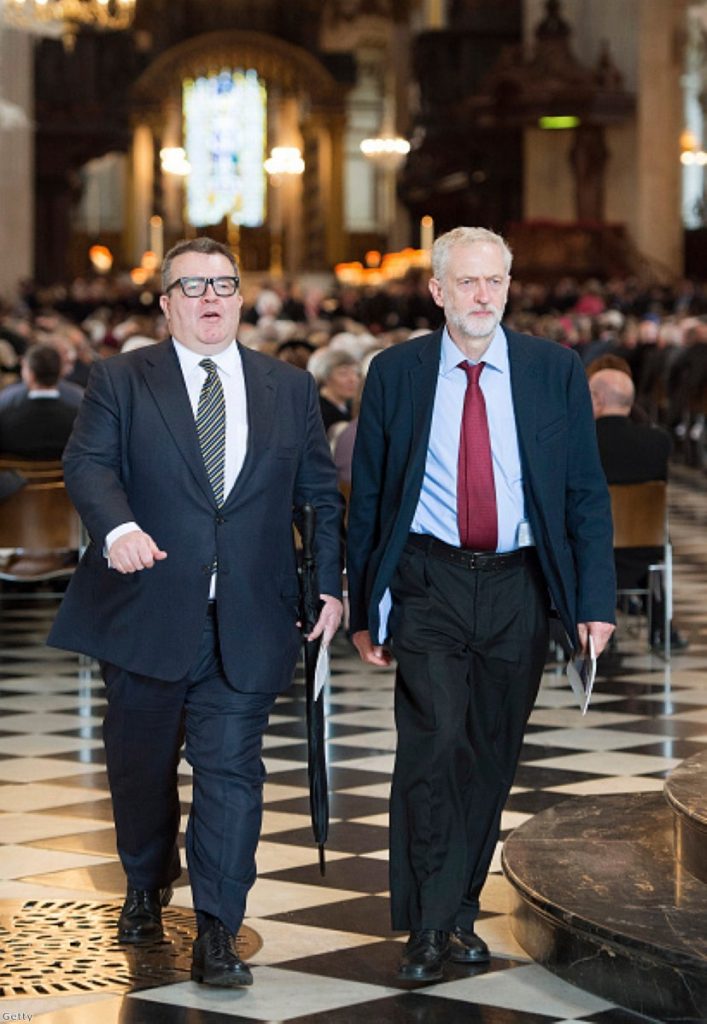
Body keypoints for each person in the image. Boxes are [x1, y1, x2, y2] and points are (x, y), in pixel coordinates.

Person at [48, 237, 343, 989]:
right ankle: (147, 882)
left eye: (223, 284)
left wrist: (332, 586)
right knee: (140, 769)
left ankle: (217, 926)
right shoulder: (121, 377)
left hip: (249, 614)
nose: (210, 298)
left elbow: (317, 494)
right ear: (166, 303)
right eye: (192, 286)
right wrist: (115, 528)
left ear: (241, 298)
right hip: (146, 609)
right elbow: (87, 464)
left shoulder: (288, 386)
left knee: (231, 773)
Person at [346, 226, 616, 983]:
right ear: (437, 291)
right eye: (466, 282)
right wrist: (366, 604)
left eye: (494, 281)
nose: (482, 296)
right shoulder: (395, 373)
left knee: (488, 756)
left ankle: (458, 911)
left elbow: (583, 494)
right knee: (432, 745)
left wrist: (592, 601)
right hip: (428, 578)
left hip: (518, 585)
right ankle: (428, 928)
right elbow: (367, 495)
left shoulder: (551, 369)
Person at [588, 367, 685, 650]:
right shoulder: (658, 442)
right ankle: (660, 625)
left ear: (597, 399)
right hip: (647, 548)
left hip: (595, 551)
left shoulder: (583, 441)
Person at [0, 343, 79, 459]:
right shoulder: (81, 411)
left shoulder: (5, 407)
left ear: (30, 374)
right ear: (60, 371)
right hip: (65, 475)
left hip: (15, 474)